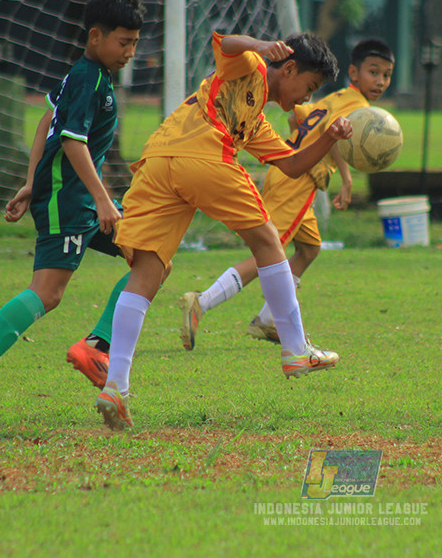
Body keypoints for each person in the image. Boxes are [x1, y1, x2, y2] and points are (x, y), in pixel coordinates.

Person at [95, 31, 352, 431]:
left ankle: (115, 386)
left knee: (147, 271)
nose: (307, 97)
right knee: (269, 241)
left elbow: (293, 165)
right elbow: (225, 41)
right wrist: (261, 46)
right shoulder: (248, 66)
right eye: (310, 86)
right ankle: (296, 349)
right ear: (288, 68)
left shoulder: (256, 124)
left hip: (158, 160)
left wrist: (330, 137)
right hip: (201, 155)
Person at [0, 0, 149, 428]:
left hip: (64, 197)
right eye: (123, 42)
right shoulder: (89, 78)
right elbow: (70, 140)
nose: (130, 51)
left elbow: (44, 121)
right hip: (68, 204)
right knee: (48, 292)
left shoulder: (88, 75)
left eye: (134, 42)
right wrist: (101, 198)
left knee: (148, 257)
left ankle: (97, 346)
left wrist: (32, 181)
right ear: (95, 36)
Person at [180, 39, 395, 346]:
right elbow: (333, 132)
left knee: (309, 249)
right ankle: (202, 301)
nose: (381, 81)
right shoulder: (360, 107)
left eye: (386, 75)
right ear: (354, 73)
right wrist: (346, 179)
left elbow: (300, 116)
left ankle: (269, 319)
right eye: (374, 72)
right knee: (269, 253)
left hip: (289, 171)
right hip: (298, 178)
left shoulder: (340, 96)